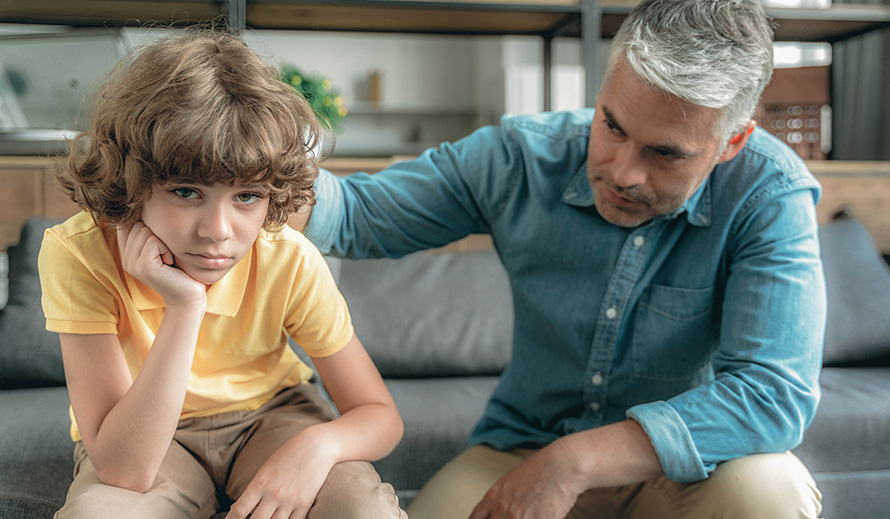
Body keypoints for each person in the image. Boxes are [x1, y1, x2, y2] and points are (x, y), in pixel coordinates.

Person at [296, 0, 826, 517]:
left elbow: (771, 393)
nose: (623, 172)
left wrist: (574, 462)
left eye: (664, 153)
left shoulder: (768, 193)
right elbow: (356, 213)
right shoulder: (523, 159)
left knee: (770, 491)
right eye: (612, 125)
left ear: (732, 141)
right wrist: (250, 163)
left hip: (689, 469)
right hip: (524, 444)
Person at [38, 31, 406, 519]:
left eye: (247, 196)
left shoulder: (287, 258)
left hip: (270, 418)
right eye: (186, 191)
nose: (217, 232)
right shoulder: (78, 253)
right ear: (134, 184)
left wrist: (317, 446)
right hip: (147, 432)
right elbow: (126, 471)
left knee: (363, 509)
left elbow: (380, 416)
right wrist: (186, 305)